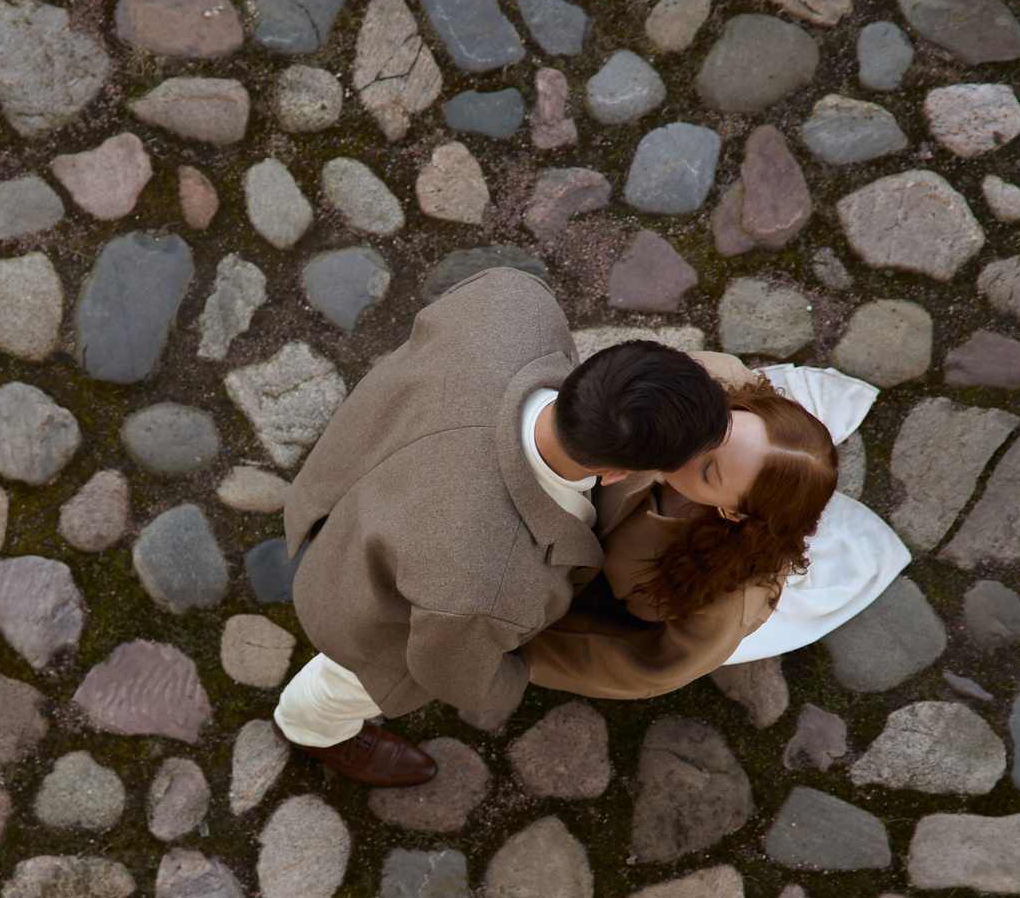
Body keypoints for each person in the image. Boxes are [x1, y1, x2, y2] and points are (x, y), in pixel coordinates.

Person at [273, 267, 732, 785]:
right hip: (368, 612)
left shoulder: (517, 301)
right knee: (341, 683)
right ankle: (308, 728)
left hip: (361, 456)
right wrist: (514, 677)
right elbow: (451, 670)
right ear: (617, 473)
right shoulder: (487, 581)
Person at [524, 365, 841, 699]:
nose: (684, 444)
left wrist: (523, 659)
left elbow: (654, 669)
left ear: (734, 513)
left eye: (707, 471)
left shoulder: (727, 598)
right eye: (719, 427)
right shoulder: (697, 389)